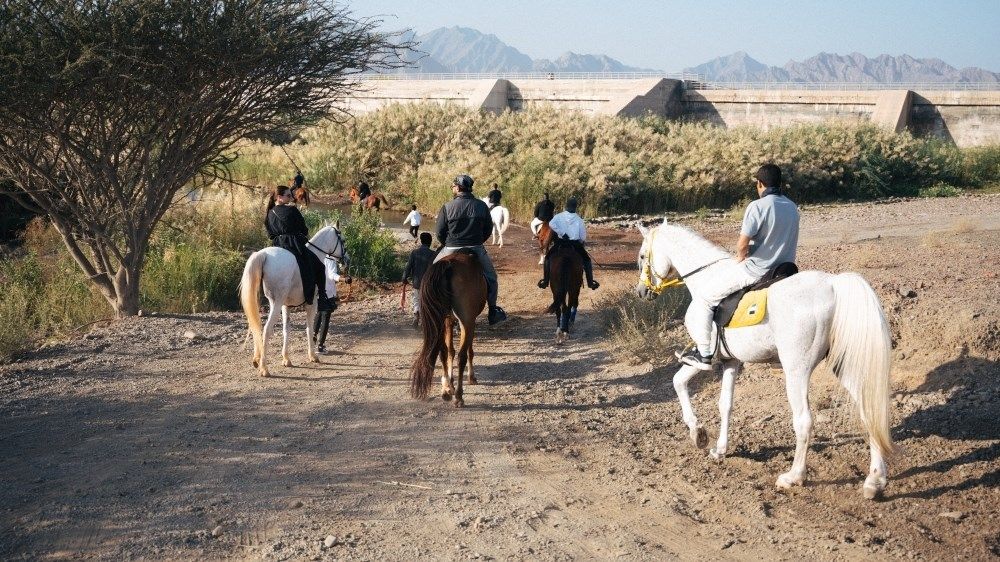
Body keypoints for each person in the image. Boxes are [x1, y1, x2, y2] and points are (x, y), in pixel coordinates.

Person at [677, 163, 800, 370]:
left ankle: (704, 353)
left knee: (705, 298)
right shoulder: (792, 207)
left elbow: (742, 244)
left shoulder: (757, 206)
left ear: (759, 184)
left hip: (757, 270)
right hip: (785, 268)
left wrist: (740, 256)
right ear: (780, 184)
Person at [433, 174, 508, 325]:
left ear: (459, 187)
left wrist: (447, 243)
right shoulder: (481, 206)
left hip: (451, 247)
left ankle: (429, 307)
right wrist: (478, 241)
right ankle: (493, 310)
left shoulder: (447, 207)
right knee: (492, 278)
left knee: (431, 272)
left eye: (453, 186)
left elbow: (439, 232)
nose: (453, 188)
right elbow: (488, 229)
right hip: (476, 247)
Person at [265, 186, 334, 312]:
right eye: (288, 196)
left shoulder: (269, 213)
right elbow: (304, 229)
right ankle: (322, 299)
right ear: (279, 197)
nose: (291, 198)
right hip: (294, 245)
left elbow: (270, 234)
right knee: (319, 267)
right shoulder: (292, 210)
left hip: (277, 246)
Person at [537, 197, 600, 290]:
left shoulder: (558, 216)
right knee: (587, 260)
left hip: (560, 243)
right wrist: (580, 241)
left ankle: (545, 281)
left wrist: (562, 233)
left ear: (566, 206)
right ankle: (590, 283)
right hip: (574, 244)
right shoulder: (579, 220)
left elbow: (551, 224)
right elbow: (582, 237)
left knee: (547, 259)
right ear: (575, 207)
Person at [312, 257, 350, 353]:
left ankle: (313, 339)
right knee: (325, 317)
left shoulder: (318, 257)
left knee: (318, 314)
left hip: (317, 292)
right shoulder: (330, 260)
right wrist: (344, 279)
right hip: (327, 293)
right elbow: (332, 275)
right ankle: (321, 346)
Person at [402, 232, 437, 326]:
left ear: (421, 241)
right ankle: (425, 319)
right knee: (426, 300)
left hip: (417, 282)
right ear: (430, 242)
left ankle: (416, 314)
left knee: (416, 299)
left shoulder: (415, 253)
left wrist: (404, 277)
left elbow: (408, 266)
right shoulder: (434, 254)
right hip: (429, 284)